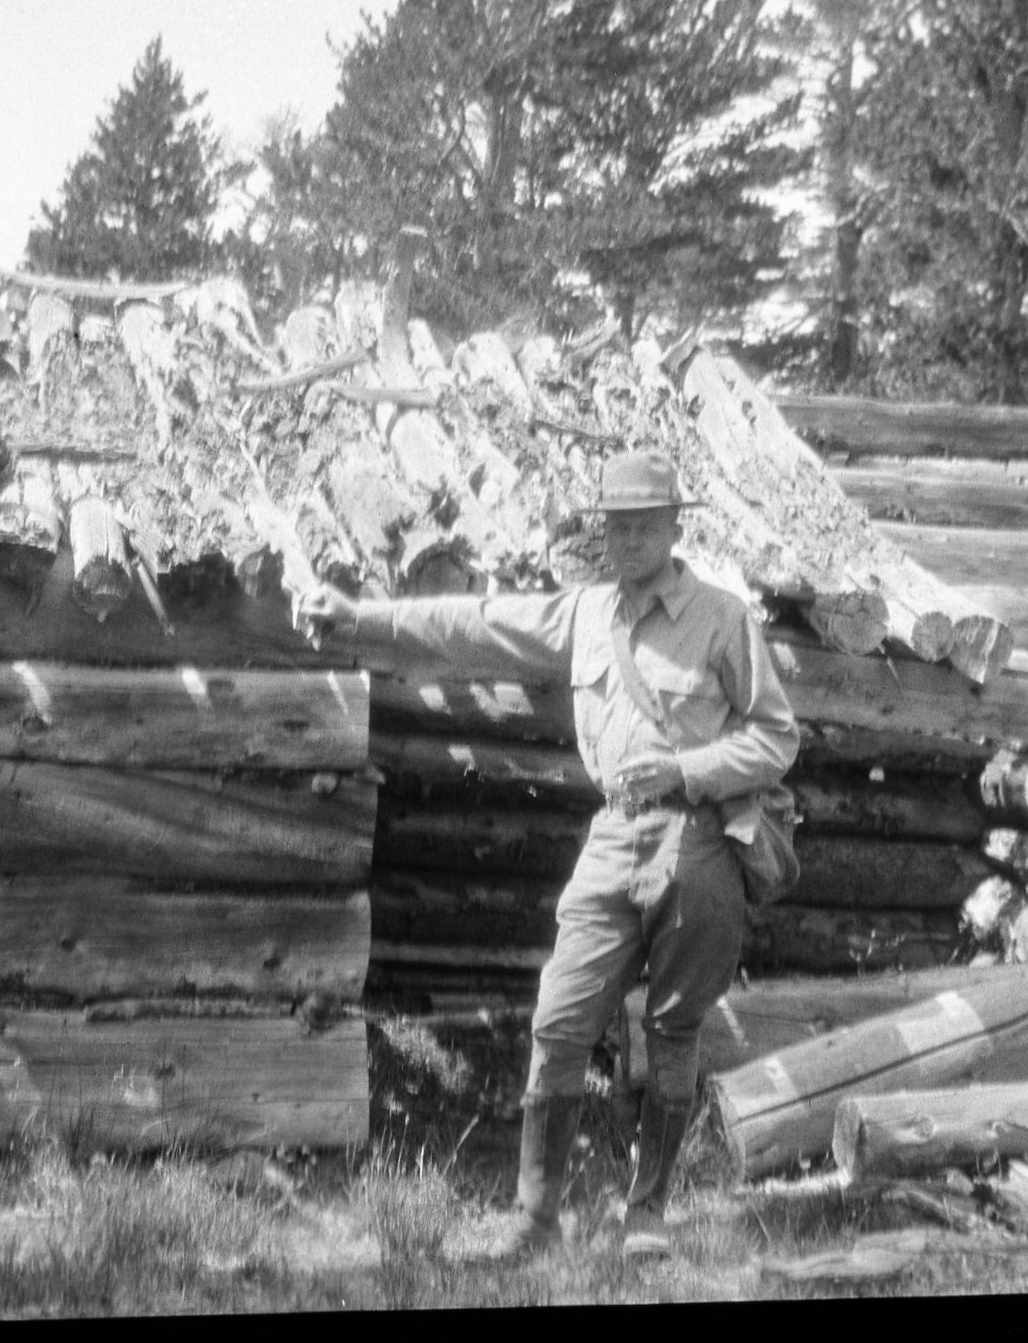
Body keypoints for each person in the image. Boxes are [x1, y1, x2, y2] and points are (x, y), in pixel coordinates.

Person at [300, 448, 800, 1262]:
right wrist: (360, 619)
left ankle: (648, 1213)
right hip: (614, 836)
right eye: (618, 525)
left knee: (673, 1029)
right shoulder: (584, 614)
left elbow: (776, 737)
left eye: (646, 523)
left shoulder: (721, 618)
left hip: (700, 841)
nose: (631, 538)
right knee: (559, 1021)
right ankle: (535, 1219)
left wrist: (687, 769)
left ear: (675, 528)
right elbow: (474, 625)